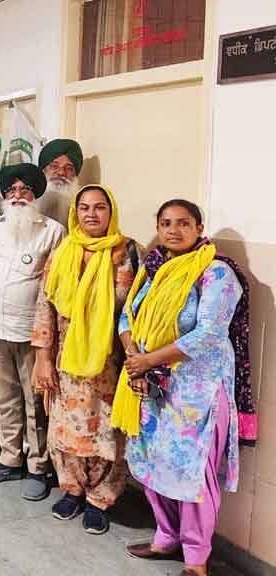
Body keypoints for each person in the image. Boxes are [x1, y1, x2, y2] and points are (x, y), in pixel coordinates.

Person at [117, 200, 247, 576]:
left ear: (199, 228)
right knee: (154, 464)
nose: (173, 230)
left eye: (183, 223)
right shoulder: (156, 269)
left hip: (198, 394)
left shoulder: (216, 273)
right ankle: (165, 537)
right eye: (165, 223)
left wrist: (147, 360)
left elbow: (208, 334)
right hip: (153, 387)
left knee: (194, 476)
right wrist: (134, 356)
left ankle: (196, 558)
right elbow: (128, 315)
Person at [31, 184, 140, 535]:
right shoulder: (63, 252)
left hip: (111, 361)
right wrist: (43, 357)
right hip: (67, 360)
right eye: (84, 208)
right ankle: (73, 489)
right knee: (65, 428)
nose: (91, 214)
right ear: (75, 213)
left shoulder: (128, 253)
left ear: (111, 211)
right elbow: (45, 306)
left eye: (99, 207)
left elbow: (138, 308)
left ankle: (100, 499)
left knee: (107, 432)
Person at [0, 163, 64, 501]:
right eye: (12, 189)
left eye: (25, 189)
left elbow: (54, 287)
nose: (18, 195)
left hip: (31, 333)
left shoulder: (52, 231)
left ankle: (38, 466)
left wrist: (48, 339)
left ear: (35, 194)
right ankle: (9, 458)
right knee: (6, 400)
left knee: (35, 402)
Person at [37, 138, 83, 226]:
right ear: (43, 170)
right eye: (54, 166)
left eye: (69, 168)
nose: (61, 172)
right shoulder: (25, 202)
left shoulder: (83, 211)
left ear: (75, 175)